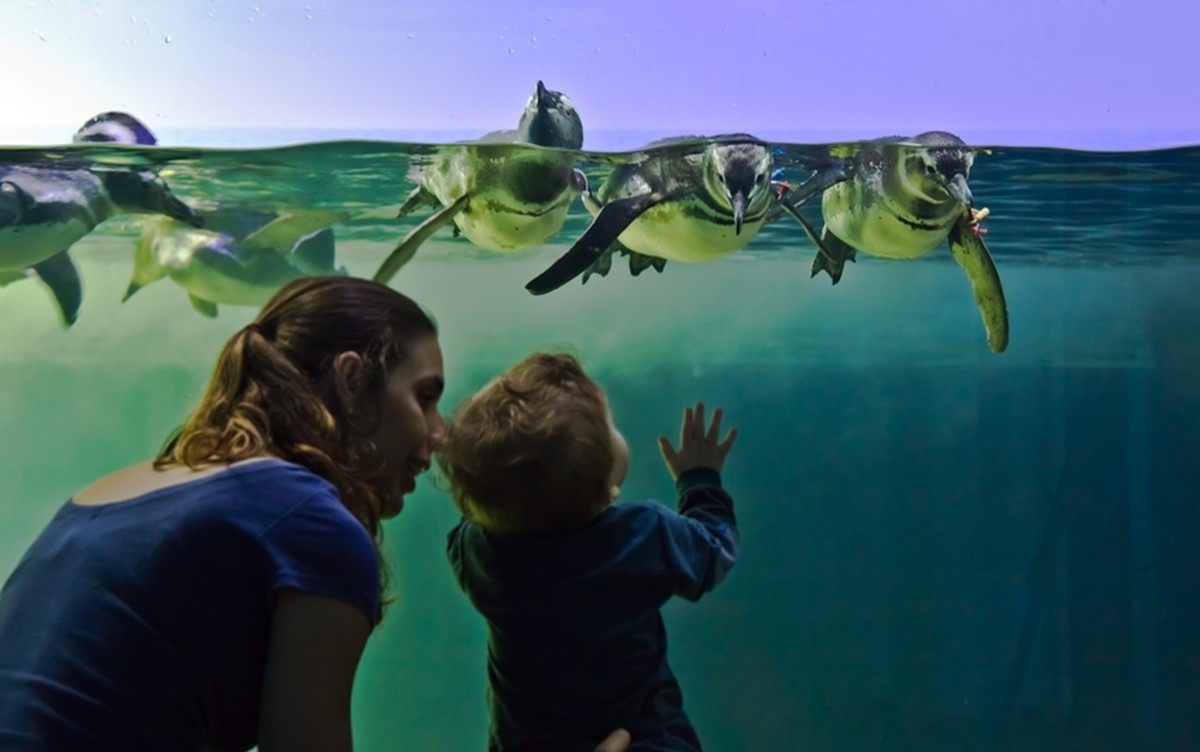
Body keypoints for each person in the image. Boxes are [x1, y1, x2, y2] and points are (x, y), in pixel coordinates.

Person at [0, 276, 447, 751]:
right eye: (424, 397)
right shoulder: (312, 525)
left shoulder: (117, 489)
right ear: (353, 381)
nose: (439, 433)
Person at [439, 351, 740, 752]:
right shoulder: (643, 535)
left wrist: (492, 496)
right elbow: (715, 553)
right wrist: (699, 480)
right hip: (647, 740)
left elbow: (467, 526)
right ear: (607, 488)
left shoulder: (482, 554)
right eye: (609, 426)